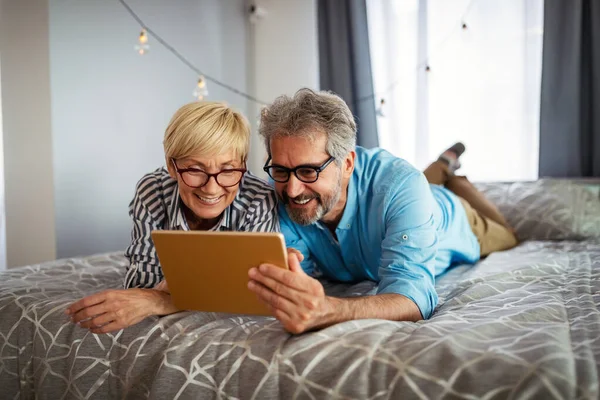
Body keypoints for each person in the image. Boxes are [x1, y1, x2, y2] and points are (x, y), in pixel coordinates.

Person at [247, 88, 517, 334]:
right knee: (410, 187)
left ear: (348, 164)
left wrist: (329, 310)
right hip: (399, 197)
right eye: (281, 170)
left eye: (308, 171)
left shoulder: (403, 185)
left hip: (453, 216)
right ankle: (441, 165)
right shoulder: (276, 191)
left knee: (508, 236)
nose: (292, 190)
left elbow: (413, 299)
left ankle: (451, 175)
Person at [66, 101, 279, 333]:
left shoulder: (259, 198)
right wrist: (214, 285)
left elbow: (252, 294)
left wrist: (162, 299)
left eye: (228, 171)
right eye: (195, 170)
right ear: (171, 166)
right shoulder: (153, 191)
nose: (211, 188)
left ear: (243, 166)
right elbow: (141, 283)